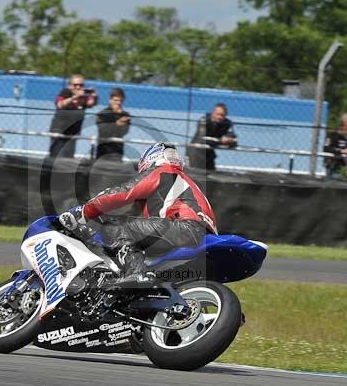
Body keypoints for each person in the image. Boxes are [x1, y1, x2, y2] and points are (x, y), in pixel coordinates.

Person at [59, 142, 217, 286]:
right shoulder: (182, 181)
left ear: (151, 157)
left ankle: (136, 273)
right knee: (127, 227)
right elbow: (136, 218)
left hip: (183, 228)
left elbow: (123, 193)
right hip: (200, 235)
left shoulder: (162, 171)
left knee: (115, 227)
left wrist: (84, 211)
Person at [49, 74, 98, 158]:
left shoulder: (83, 96)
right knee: (57, 158)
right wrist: (74, 98)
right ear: (70, 85)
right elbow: (60, 104)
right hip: (59, 132)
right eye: (75, 85)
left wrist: (94, 96)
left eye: (81, 85)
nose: (78, 87)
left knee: (68, 158)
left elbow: (91, 103)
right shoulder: (65, 92)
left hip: (72, 133)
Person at [188, 103, 237, 170]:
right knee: (196, 176)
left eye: (222, 115)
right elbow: (202, 139)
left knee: (211, 175)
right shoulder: (204, 121)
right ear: (212, 113)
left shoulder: (227, 123)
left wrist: (229, 139)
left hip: (209, 153)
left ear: (225, 116)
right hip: (196, 152)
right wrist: (221, 141)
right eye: (217, 114)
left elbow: (233, 138)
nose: (219, 117)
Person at [95, 87, 131, 160]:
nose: (118, 103)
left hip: (117, 150)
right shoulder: (102, 113)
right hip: (103, 150)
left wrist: (121, 122)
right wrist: (117, 123)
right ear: (110, 100)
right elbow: (103, 131)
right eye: (116, 100)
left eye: (120, 100)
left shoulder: (125, 115)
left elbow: (124, 131)